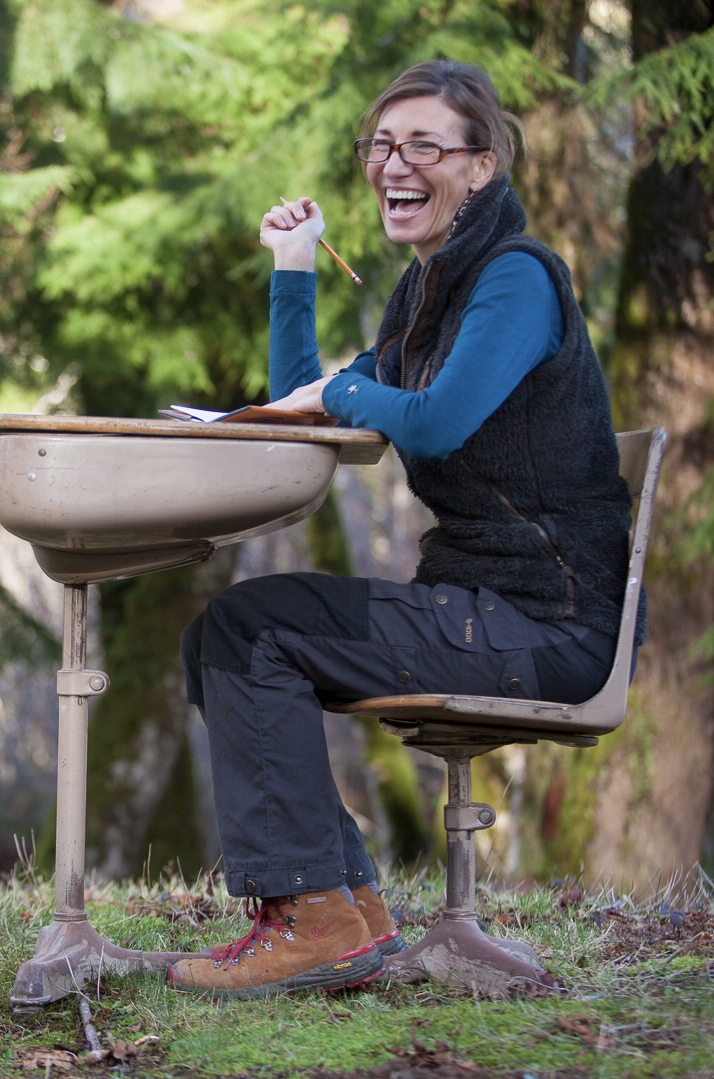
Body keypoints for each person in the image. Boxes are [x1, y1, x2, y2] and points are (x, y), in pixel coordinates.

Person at [167, 59, 643, 999]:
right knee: (224, 634)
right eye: (382, 144)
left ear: (481, 166)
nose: (396, 162)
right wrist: (292, 269)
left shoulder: (515, 280)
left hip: (545, 623)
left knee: (247, 629)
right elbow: (311, 405)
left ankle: (314, 916)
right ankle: (345, 910)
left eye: (423, 143)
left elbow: (434, 422)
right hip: (477, 608)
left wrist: (345, 386)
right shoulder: (424, 300)